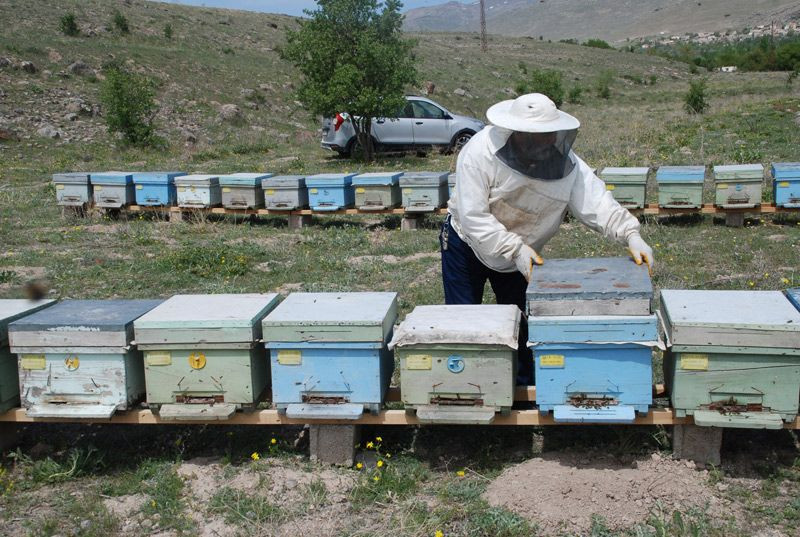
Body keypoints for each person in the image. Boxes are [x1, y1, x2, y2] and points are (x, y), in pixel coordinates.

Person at [440, 93, 654, 384]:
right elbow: (473, 216)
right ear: (517, 134)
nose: (544, 144)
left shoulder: (568, 164)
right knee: (463, 322)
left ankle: (524, 390)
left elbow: (595, 202)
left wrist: (630, 233)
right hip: (465, 245)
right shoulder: (478, 153)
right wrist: (513, 248)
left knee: (525, 324)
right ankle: (466, 387)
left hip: (522, 254)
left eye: (548, 136)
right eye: (536, 137)